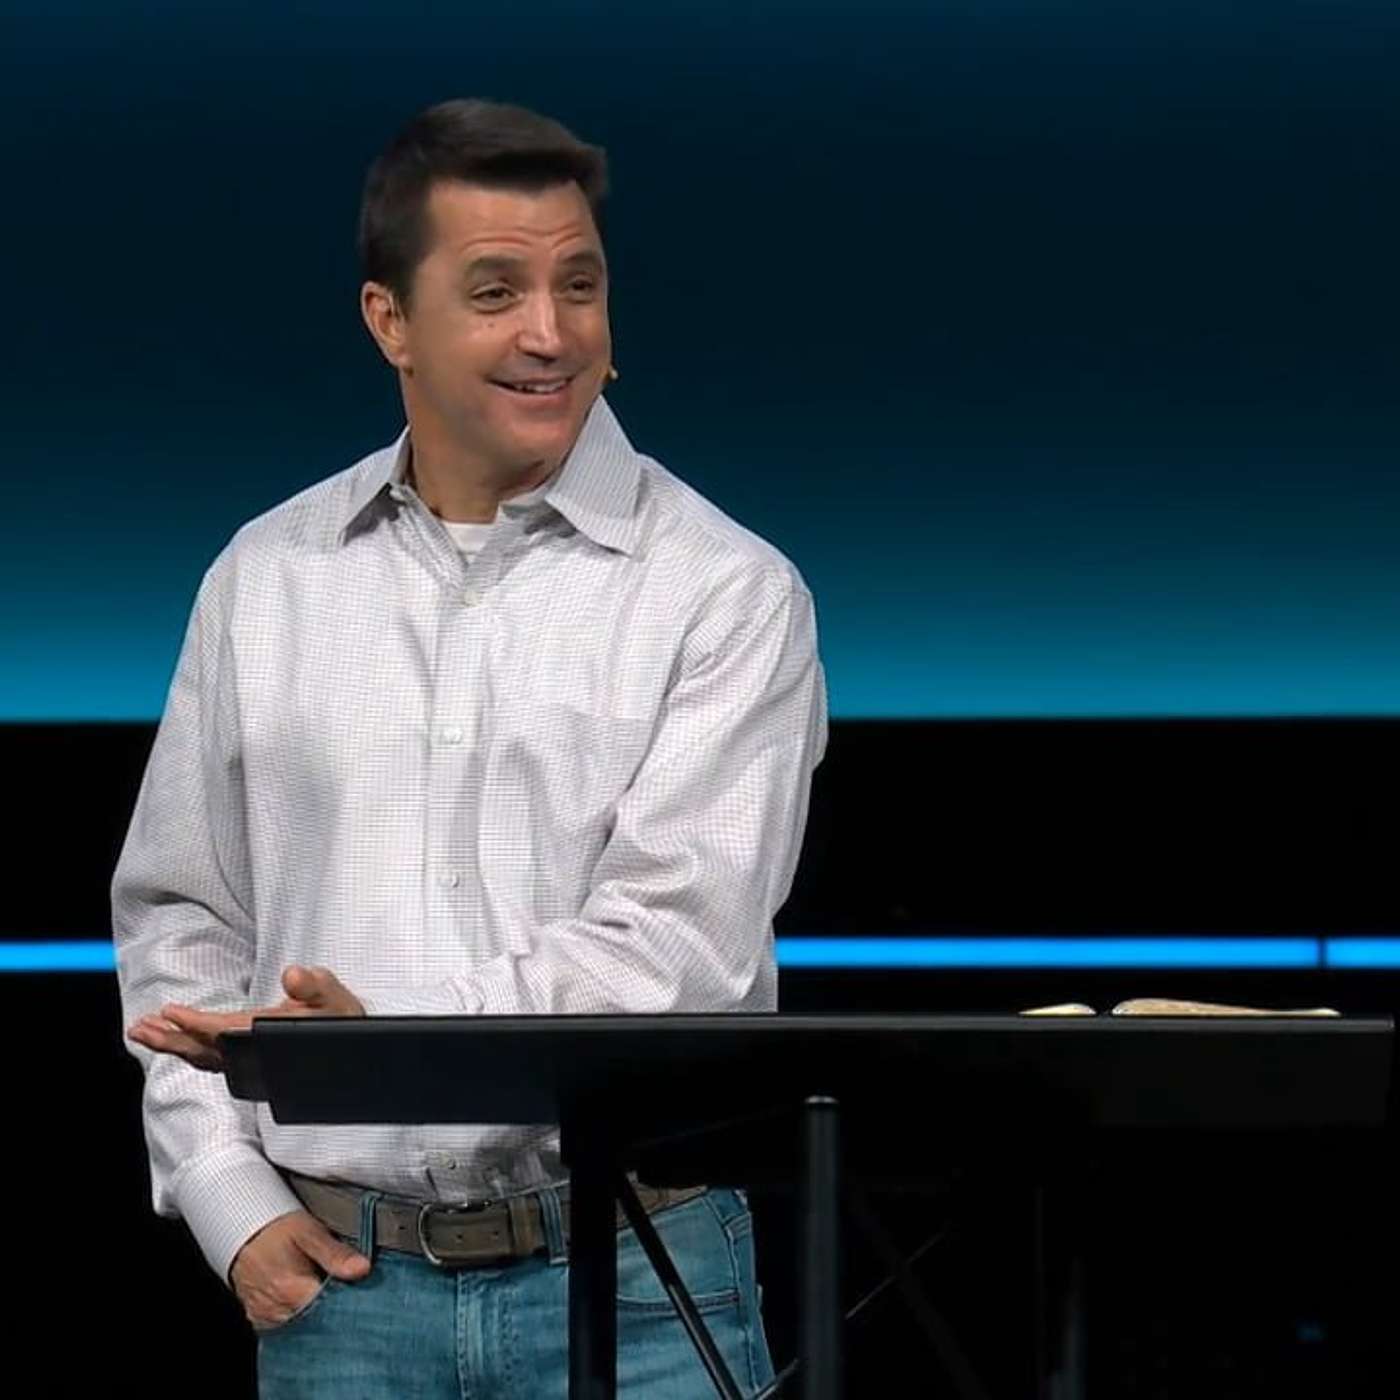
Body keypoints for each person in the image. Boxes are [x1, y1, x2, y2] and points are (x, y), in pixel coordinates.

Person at [114, 97, 827, 1398]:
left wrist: (387, 1044)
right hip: (344, 1296)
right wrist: (226, 1194)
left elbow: (680, 956)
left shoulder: (726, 592)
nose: (550, 333)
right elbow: (182, 917)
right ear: (390, 320)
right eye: (496, 291)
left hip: (639, 1279)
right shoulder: (266, 578)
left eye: (579, 286)